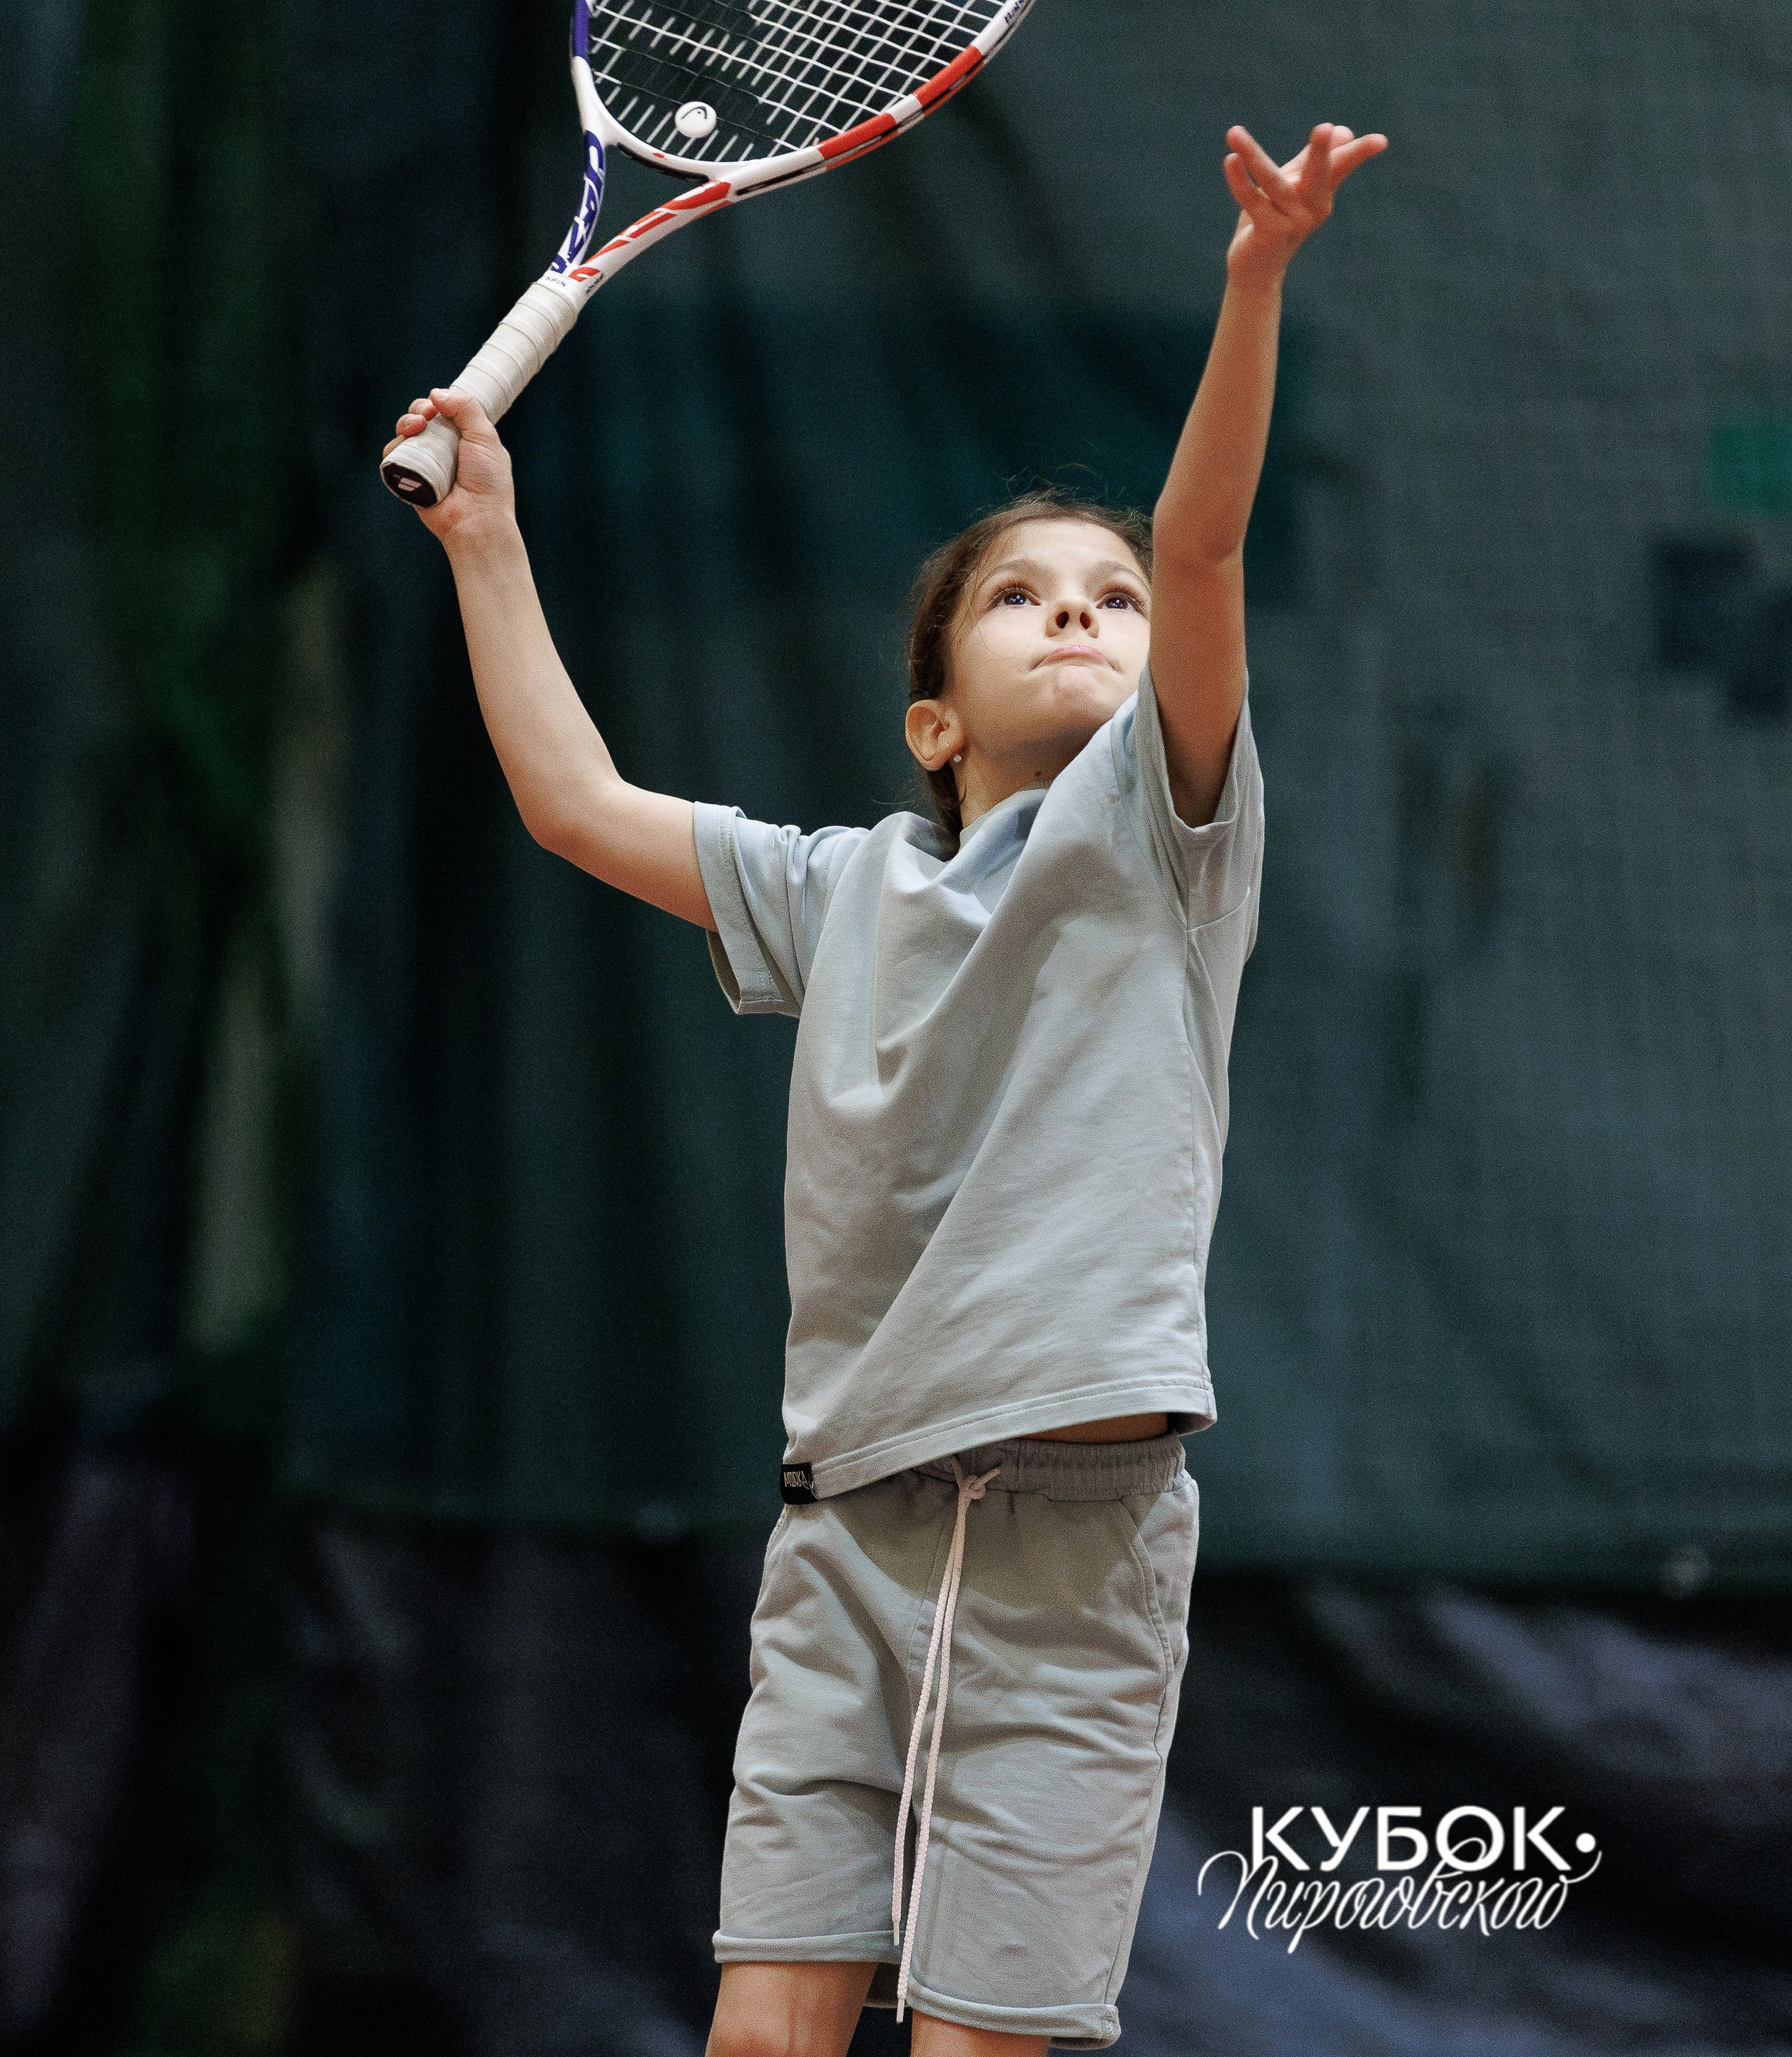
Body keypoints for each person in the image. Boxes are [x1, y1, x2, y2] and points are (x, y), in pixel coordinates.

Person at [388, 118, 1387, 2057]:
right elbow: (575, 806)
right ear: (933, 719)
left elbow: (1200, 539)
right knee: (765, 2037)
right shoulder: (837, 887)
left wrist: (1256, 279)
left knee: (974, 2051)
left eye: (1104, 595)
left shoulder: (1163, 841)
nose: (1087, 610)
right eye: (1026, 598)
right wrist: (488, 538)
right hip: (841, 1531)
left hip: (1075, 1543)